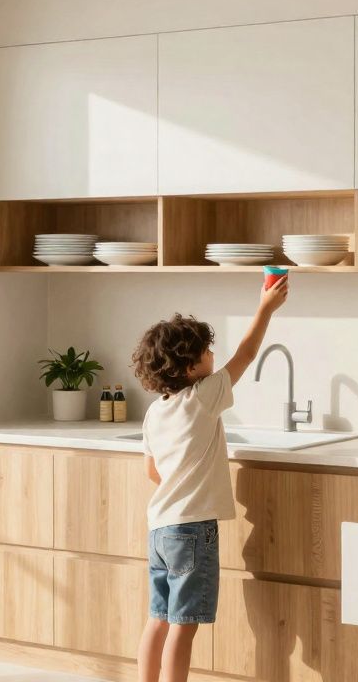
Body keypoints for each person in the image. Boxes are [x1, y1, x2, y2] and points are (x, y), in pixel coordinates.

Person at [130, 277, 288, 682]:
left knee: (159, 618)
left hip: (160, 529)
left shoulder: (156, 412)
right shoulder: (203, 396)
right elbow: (248, 353)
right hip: (193, 529)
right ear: (190, 366)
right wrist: (266, 307)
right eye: (205, 350)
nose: (213, 354)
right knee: (185, 624)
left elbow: (153, 471)